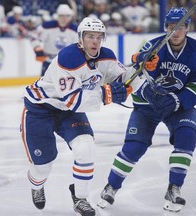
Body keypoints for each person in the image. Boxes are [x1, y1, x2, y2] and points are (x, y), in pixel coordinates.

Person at [20, 16, 142, 216]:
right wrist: (106, 94)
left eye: (99, 37)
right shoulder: (68, 58)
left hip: (69, 112)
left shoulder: (106, 56)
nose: (95, 41)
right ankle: (37, 185)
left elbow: (125, 78)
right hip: (40, 109)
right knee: (43, 167)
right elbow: (72, 100)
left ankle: (80, 198)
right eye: (90, 36)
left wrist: (142, 69)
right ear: (80, 38)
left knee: (85, 147)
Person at [98, 7, 196, 213]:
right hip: (147, 106)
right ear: (165, 27)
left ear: (187, 28)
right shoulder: (153, 47)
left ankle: (174, 189)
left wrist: (177, 101)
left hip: (178, 106)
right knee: (134, 147)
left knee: (187, 137)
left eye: (180, 27)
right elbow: (135, 73)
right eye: (171, 27)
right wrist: (143, 68)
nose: (175, 32)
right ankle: (111, 186)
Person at [30, 4, 77, 76]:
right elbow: (33, 36)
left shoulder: (75, 29)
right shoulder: (47, 26)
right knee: (44, 85)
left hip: (65, 63)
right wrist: (37, 48)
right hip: (48, 62)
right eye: (61, 16)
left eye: (67, 16)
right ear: (57, 16)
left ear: (70, 16)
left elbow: (79, 46)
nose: (64, 18)